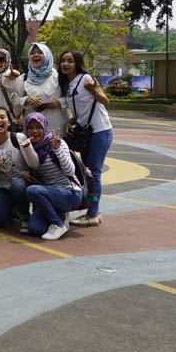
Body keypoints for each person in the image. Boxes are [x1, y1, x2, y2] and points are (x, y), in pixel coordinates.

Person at [59, 49, 112, 228]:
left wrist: (93, 90)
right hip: (87, 134)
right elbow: (81, 109)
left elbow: (105, 101)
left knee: (94, 174)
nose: (66, 64)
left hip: (100, 131)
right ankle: (92, 211)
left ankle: (93, 214)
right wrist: (70, 121)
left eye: (70, 61)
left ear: (77, 63)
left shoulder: (86, 79)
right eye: (63, 61)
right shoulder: (69, 84)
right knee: (88, 173)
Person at [23, 112, 82, 241]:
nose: (34, 131)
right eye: (30, 127)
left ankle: (58, 223)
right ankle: (61, 214)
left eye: (38, 127)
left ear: (45, 127)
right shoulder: (29, 146)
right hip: (50, 195)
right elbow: (32, 165)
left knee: (32, 190)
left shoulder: (56, 142)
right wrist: (27, 150)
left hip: (69, 193)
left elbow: (70, 171)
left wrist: (57, 149)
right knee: (36, 229)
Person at [0, 106, 36, 233]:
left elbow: (34, 164)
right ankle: (11, 208)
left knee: (17, 185)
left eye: (2, 117)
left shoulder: (19, 138)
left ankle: (24, 216)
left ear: (9, 122)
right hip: (3, 187)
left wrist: (28, 149)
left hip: (21, 185)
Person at [3, 42, 67, 135]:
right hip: (32, 130)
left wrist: (58, 102)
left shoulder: (59, 76)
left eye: (40, 52)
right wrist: (26, 100)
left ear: (47, 55)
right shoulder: (24, 78)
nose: (36, 55)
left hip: (56, 128)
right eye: (32, 53)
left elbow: (71, 98)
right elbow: (14, 101)